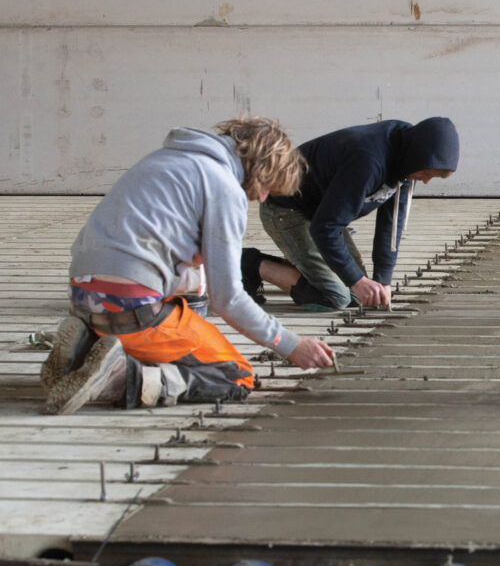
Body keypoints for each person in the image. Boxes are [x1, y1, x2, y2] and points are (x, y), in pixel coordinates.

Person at [40, 117, 336, 415]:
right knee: (234, 375)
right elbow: (229, 299)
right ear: (261, 167)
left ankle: (85, 347)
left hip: (82, 295)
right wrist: (291, 344)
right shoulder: (223, 187)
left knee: (192, 296)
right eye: (267, 187)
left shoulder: (165, 158)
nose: (260, 197)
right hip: (131, 306)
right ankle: (122, 376)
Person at [243, 117, 460, 311]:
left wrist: (383, 280)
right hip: (286, 208)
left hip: (322, 212)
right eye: (426, 173)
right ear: (416, 156)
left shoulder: (408, 162)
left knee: (360, 295)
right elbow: (325, 228)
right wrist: (357, 280)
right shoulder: (368, 161)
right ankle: (250, 264)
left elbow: (392, 224)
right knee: (335, 296)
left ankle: (305, 263)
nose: (425, 181)